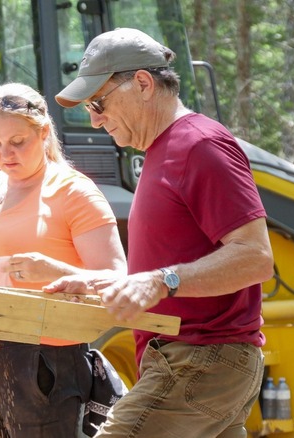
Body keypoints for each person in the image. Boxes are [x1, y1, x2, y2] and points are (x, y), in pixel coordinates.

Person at [45, 28, 275, 438]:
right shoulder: (162, 152)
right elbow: (169, 267)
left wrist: (160, 281)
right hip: (197, 361)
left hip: (202, 356)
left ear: (144, 84)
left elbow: (255, 258)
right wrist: (102, 282)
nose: (95, 120)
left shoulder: (200, 144)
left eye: (98, 103)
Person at [0, 82, 127, 437]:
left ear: (43, 133)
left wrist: (58, 271)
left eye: (17, 142)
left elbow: (117, 275)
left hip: (42, 360)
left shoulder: (73, 191)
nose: (5, 154)